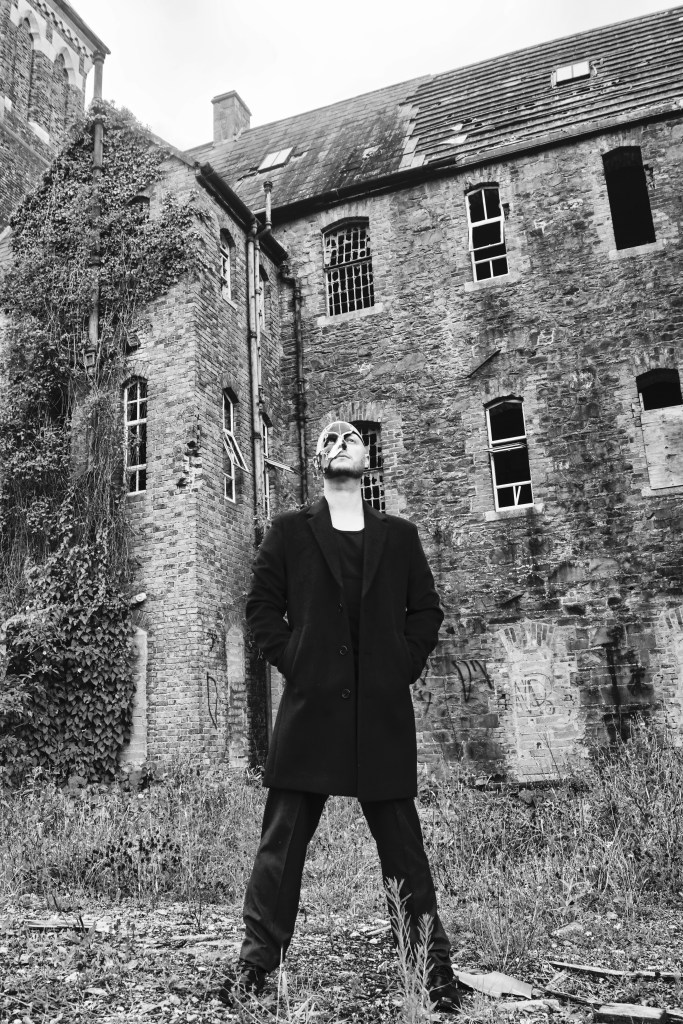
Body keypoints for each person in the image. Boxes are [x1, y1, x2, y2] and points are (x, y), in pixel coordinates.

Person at [219, 420, 462, 1013]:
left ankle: (432, 973)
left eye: (351, 436)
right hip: (312, 711)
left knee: (404, 849)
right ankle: (254, 969)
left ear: (366, 456)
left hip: (380, 714)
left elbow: (425, 612)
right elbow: (260, 612)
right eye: (328, 438)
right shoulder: (287, 532)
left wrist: (399, 666)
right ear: (318, 461)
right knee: (280, 848)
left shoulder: (399, 537)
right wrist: (299, 664)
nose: (340, 441)